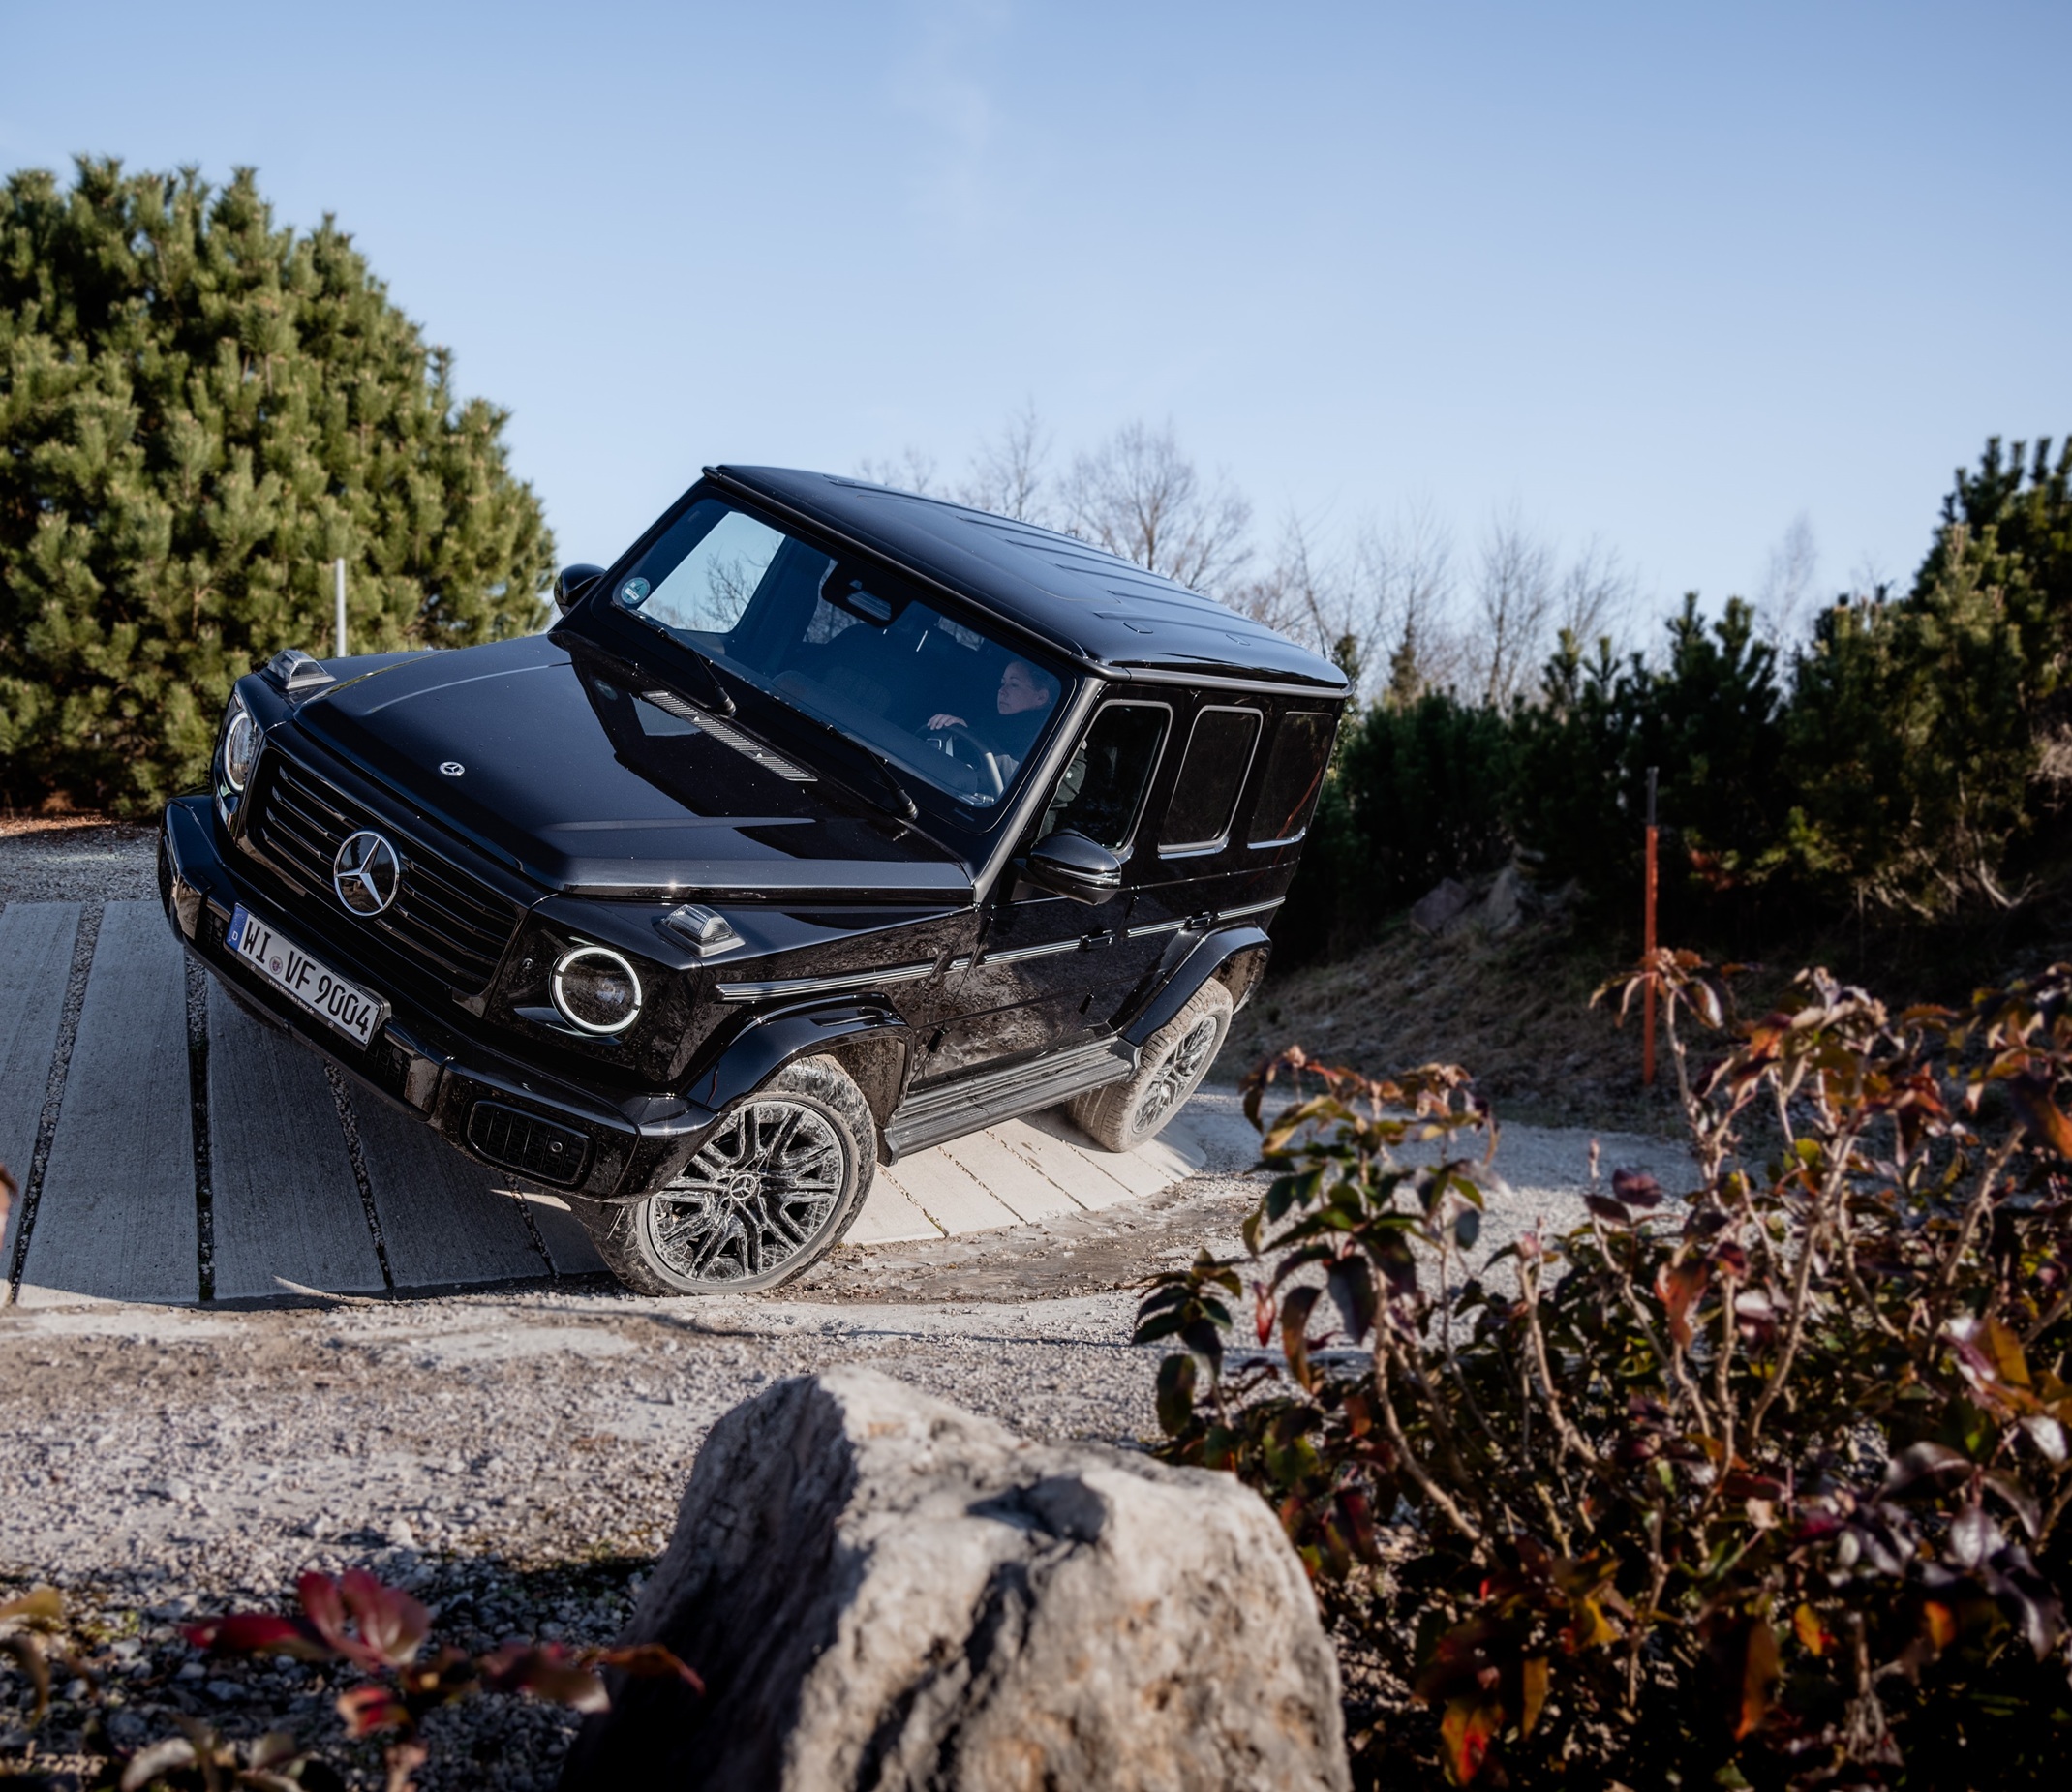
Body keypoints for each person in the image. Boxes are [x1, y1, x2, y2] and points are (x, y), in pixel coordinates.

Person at [927, 657, 1056, 778]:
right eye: (1002, 683)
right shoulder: (990, 722)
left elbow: (1019, 779)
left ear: (1040, 697)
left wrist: (971, 735)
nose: (1001, 690)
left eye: (1014, 685)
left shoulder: (1047, 738)